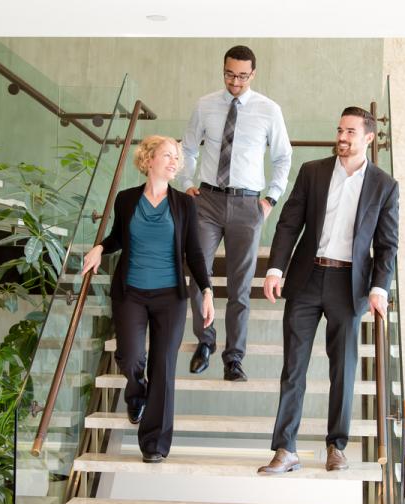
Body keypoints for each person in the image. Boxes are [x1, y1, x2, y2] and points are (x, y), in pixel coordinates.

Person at [258, 106, 399, 474]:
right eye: (339, 130)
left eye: (350, 132)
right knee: (294, 368)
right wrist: (275, 268)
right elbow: (289, 223)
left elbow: (387, 245)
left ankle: (336, 446)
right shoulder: (313, 172)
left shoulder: (384, 186)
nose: (342, 137)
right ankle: (285, 449)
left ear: (368, 137)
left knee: (344, 369)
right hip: (307, 279)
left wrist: (379, 288)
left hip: (348, 285)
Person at [82, 135, 215, 464]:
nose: (174, 162)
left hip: (170, 296)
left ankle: (154, 444)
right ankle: (136, 390)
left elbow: (194, 253)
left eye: (177, 158)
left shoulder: (184, 204)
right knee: (129, 357)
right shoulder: (127, 200)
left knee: (164, 367)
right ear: (149, 159)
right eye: (167, 155)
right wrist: (100, 247)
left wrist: (208, 291)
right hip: (131, 292)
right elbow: (117, 237)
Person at [178, 44, 291, 382]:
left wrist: (270, 199)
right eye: (230, 74)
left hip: (248, 204)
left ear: (253, 74)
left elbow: (283, 158)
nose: (235, 81)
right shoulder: (205, 105)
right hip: (208, 201)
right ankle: (206, 342)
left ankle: (234, 358)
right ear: (223, 69)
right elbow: (186, 147)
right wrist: (187, 183)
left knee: (240, 287)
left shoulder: (269, 110)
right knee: (199, 277)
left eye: (242, 76)